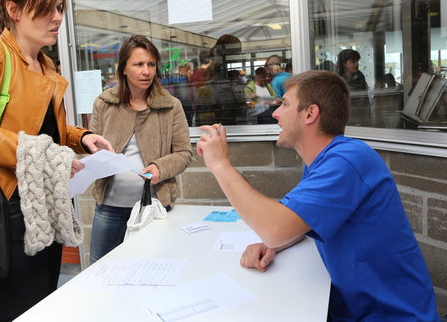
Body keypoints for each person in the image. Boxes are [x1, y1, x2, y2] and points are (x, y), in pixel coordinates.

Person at [195, 71, 440, 321]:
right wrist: (274, 244)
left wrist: (220, 165)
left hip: (391, 315)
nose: (275, 113)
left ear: (310, 114)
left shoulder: (347, 161)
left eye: (285, 104)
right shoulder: (323, 161)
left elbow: (274, 226)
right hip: (350, 309)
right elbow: (300, 221)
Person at [0, 0, 113, 322]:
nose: (56, 17)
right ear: (14, 11)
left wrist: (83, 137)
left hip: (47, 201)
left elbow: (47, 130)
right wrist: (46, 155)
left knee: (46, 304)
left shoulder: (47, 66)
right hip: (7, 204)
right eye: (45, 8)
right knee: (22, 310)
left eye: (59, 8)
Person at [89, 35, 193, 264]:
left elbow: (184, 153)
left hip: (154, 207)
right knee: (100, 269)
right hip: (109, 208)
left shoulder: (170, 105)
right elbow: (90, 144)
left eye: (151, 64)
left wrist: (160, 167)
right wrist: (93, 155)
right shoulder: (104, 103)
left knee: (152, 269)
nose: (146, 71)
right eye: (138, 64)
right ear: (123, 68)